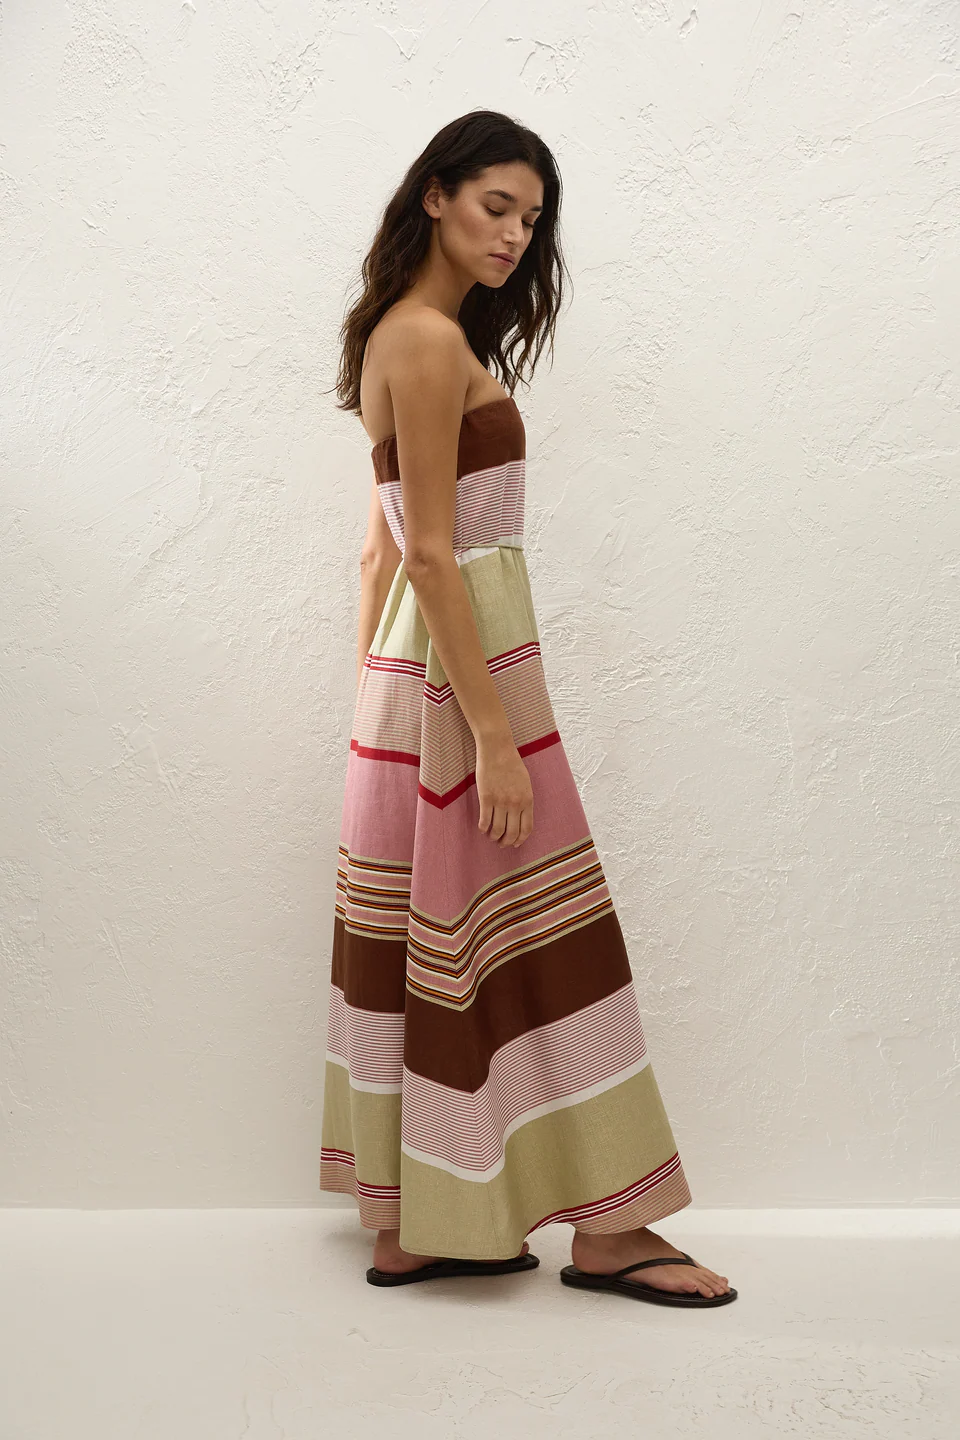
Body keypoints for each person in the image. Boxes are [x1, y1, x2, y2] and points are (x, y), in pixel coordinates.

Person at [319, 109, 736, 1308]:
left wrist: (376, 712)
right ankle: (609, 1231)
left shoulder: (410, 337)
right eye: (497, 206)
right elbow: (433, 554)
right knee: (552, 943)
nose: (515, 235)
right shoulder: (423, 340)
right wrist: (490, 734)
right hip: (469, 669)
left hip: (424, 676)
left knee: (450, 936)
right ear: (438, 196)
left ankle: (425, 1224)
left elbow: (377, 554)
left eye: (532, 219)